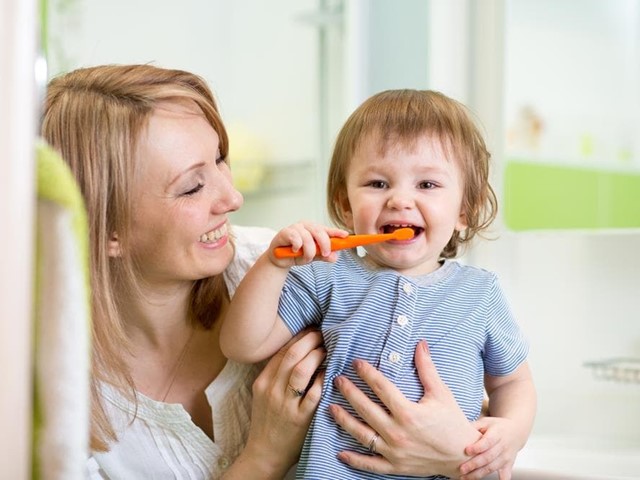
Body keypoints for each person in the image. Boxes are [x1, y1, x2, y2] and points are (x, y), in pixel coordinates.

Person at [41, 66, 496, 479]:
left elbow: (464, 398)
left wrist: (459, 451)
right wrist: (265, 454)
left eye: (221, 160)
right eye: (192, 187)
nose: (232, 198)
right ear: (107, 231)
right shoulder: (48, 391)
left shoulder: (297, 268)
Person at [221, 89, 537, 479]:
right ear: (345, 204)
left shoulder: (480, 293)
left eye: (427, 185)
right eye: (377, 183)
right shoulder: (326, 274)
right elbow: (243, 344)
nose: (400, 200)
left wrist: (512, 433)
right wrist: (273, 264)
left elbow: (512, 382)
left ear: (464, 210)